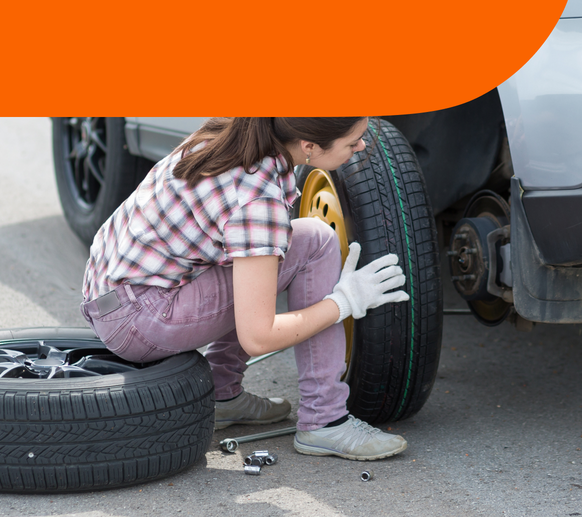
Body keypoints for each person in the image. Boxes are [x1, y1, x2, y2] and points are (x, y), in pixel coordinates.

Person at [81, 117, 410, 460]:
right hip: (138, 319)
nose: (361, 147)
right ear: (309, 147)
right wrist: (344, 301)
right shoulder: (257, 199)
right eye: (352, 142)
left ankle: (221, 394)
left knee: (309, 239)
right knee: (316, 244)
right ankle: (325, 421)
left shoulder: (232, 131)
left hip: (112, 293)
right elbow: (259, 336)